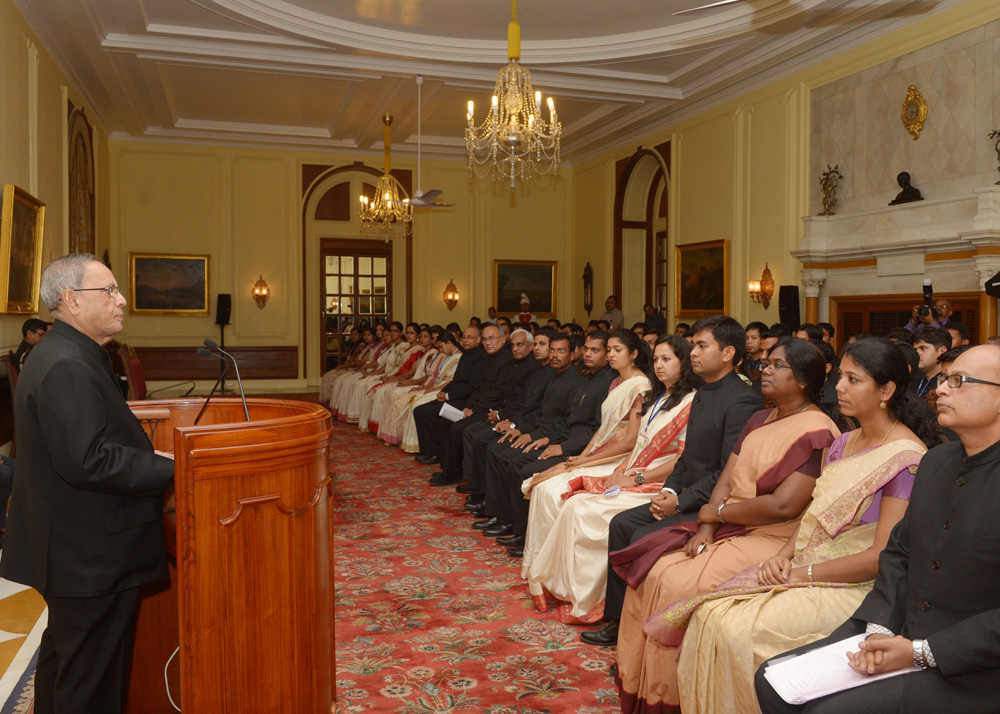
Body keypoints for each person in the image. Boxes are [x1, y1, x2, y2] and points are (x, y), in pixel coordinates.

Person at [670, 338, 937, 714]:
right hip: (805, 565)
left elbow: (881, 557)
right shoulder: (845, 442)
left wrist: (801, 573)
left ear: (886, 390)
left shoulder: (906, 459)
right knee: (710, 616)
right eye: (840, 376)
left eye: (853, 379)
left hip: (858, 587)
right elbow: (814, 514)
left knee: (735, 629)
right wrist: (781, 558)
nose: (839, 387)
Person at [755, 344, 1000, 714]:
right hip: (899, 629)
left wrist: (921, 652)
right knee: (773, 680)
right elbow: (899, 553)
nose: (942, 390)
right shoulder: (937, 461)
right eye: (945, 379)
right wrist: (881, 629)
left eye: (959, 381)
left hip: (971, 666)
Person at [614, 337, 842, 713]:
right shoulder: (759, 418)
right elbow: (726, 478)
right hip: (728, 523)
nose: (765, 370)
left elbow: (784, 507)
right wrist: (705, 526)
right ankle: (643, 684)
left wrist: (714, 516)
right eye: (766, 363)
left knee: (678, 581)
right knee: (655, 571)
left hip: (773, 536)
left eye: (778, 365)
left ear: (803, 380)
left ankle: (672, 695)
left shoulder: (817, 431)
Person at [1, 254, 175, 713]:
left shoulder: (64, 352)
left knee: (67, 667)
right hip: (89, 554)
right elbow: (87, 460)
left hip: (74, 547)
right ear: (72, 300)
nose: (121, 302)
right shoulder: (68, 365)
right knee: (92, 685)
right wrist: (167, 468)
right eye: (110, 291)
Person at [580, 316, 763, 647]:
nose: (693, 352)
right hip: (682, 493)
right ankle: (617, 622)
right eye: (692, 345)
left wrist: (680, 501)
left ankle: (638, 634)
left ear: (727, 353)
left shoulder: (742, 400)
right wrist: (668, 491)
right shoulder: (705, 392)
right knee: (620, 524)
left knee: (638, 534)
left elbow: (728, 471)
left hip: (710, 505)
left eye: (701, 345)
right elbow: (687, 456)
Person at [522, 335, 700, 624]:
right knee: (574, 504)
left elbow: (681, 460)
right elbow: (636, 443)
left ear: (684, 362)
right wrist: (622, 471)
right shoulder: (656, 397)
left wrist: (637, 477)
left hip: (658, 477)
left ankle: (592, 598)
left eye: (667, 359)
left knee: (583, 511)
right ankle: (568, 590)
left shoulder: (692, 402)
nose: (659, 365)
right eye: (656, 359)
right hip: (632, 469)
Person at [429, 324, 514, 487]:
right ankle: (450, 469)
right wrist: (468, 407)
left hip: (492, 409)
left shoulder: (506, 360)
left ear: (503, 339)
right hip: (479, 405)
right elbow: (479, 388)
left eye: (492, 338)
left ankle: (461, 476)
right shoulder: (489, 358)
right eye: (485, 339)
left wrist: (474, 410)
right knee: (446, 420)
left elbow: (497, 393)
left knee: (458, 428)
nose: (488, 343)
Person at [908, 326, 950, 408]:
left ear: (942, 351)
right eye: (915, 350)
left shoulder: (948, 383)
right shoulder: (912, 381)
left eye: (923, 348)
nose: (917, 353)